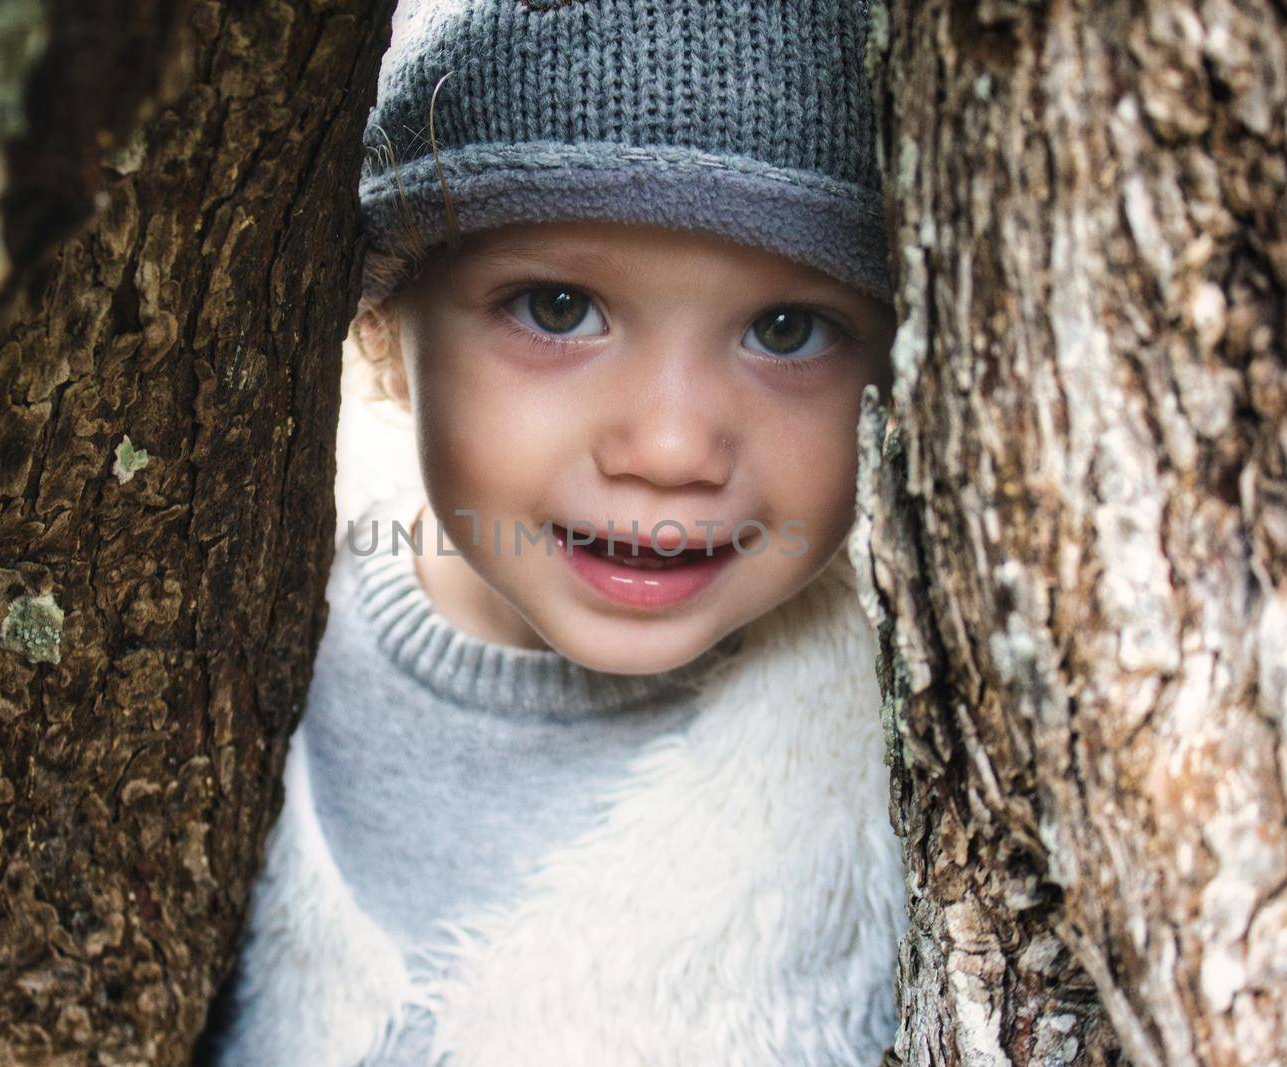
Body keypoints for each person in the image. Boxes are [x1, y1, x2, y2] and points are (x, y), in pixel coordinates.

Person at [211, 1, 905, 1064]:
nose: (671, 445)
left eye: (786, 329)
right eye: (556, 308)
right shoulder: (242, 641)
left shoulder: (901, 766)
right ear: (383, 330)